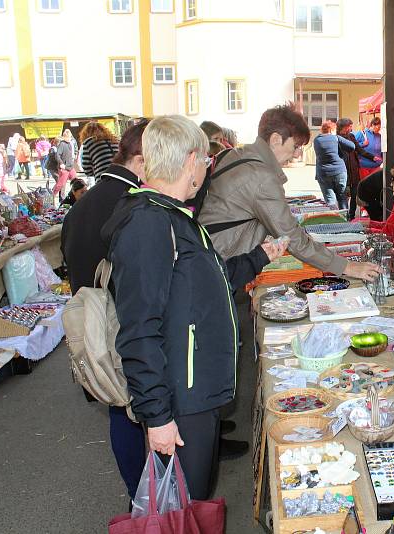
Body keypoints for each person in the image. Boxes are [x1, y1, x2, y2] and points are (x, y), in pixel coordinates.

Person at [101, 114, 285, 500]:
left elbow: (207, 284)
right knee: (185, 503)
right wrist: (158, 416)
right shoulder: (150, 223)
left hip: (194, 392)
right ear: (190, 161)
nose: (206, 168)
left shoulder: (173, 216)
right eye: (205, 161)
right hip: (179, 399)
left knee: (195, 498)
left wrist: (259, 257)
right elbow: (137, 331)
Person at [61, 120, 150, 501]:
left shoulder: (89, 201)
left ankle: (139, 494)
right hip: (120, 326)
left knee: (120, 408)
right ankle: (147, 498)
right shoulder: (130, 203)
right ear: (145, 160)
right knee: (131, 411)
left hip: (97, 327)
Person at [197, 103, 381, 282]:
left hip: (207, 257)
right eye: (296, 146)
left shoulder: (237, 155)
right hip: (218, 268)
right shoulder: (261, 176)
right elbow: (292, 237)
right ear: (276, 139)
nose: (297, 154)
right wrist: (347, 266)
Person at [337, 118, 379, 220]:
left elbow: (359, 150)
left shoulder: (351, 136)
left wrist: (372, 157)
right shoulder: (336, 138)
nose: (352, 128)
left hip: (354, 170)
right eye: (350, 126)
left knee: (355, 194)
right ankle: (343, 216)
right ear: (344, 127)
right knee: (344, 196)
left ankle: (351, 216)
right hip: (343, 171)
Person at [313, 120, 355, 210]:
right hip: (339, 172)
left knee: (330, 199)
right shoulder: (336, 138)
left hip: (323, 174)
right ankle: (344, 219)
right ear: (332, 130)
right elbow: (352, 146)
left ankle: (334, 219)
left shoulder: (316, 140)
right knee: (342, 197)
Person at [53, 130, 77, 199]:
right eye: (68, 137)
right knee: (61, 184)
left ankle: (75, 196)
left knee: (76, 181)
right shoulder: (62, 144)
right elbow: (57, 155)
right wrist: (61, 163)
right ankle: (52, 196)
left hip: (70, 166)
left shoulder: (70, 143)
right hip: (64, 167)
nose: (70, 138)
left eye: (70, 137)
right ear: (64, 137)